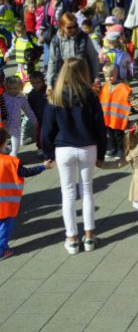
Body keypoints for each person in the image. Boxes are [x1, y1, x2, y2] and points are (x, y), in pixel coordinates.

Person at [41, 57, 106, 254]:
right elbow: (99, 127)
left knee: (67, 194)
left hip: (63, 149)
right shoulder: (90, 95)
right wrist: (101, 153)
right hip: (87, 147)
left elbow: (46, 130)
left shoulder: (55, 96)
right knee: (87, 191)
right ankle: (89, 236)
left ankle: (72, 238)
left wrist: (48, 153)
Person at [0, 127, 52, 259]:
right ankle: (1, 251)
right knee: (5, 227)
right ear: (3, 143)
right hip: (5, 204)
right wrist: (43, 166)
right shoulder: (11, 162)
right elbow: (26, 172)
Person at [46, 12, 100, 88]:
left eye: (74, 26)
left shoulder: (83, 38)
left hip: (83, 78)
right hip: (64, 78)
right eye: (69, 27)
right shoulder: (56, 40)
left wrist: (95, 77)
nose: (73, 29)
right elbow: (52, 62)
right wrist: (49, 84)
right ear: (62, 27)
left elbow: (94, 58)